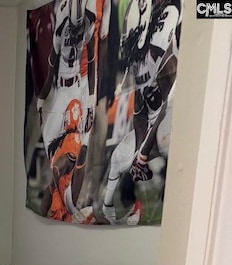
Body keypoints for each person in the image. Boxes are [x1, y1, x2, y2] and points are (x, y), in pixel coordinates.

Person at [101, 0, 180, 224]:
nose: (129, 45)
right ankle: (108, 212)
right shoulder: (138, 63)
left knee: (168, 147)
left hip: (172, 121)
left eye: (134, 37)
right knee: (118, 158)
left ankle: (170, 193)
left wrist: (143, 155)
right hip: (153, 124)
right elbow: (139, 112)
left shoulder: (164, 55)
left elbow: (167, 105)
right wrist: (138, 152)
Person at [37, 0, 98, 160]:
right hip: (61, 90)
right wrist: (41, 100)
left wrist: (91, 100)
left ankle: (68, 180)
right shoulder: (60, 28)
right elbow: (51, 70)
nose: (76, 31)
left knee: (73, 145)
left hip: (77, 88)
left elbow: (92, 61)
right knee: (50, 140)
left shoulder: (88, 19)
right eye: (74, 27)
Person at [41, 99, 87, 221]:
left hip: (60, 201)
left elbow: (59, 166)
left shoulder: (65, 140)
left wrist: (50, 190)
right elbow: (60, 166)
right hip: (63, 206)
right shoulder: (71, 139)